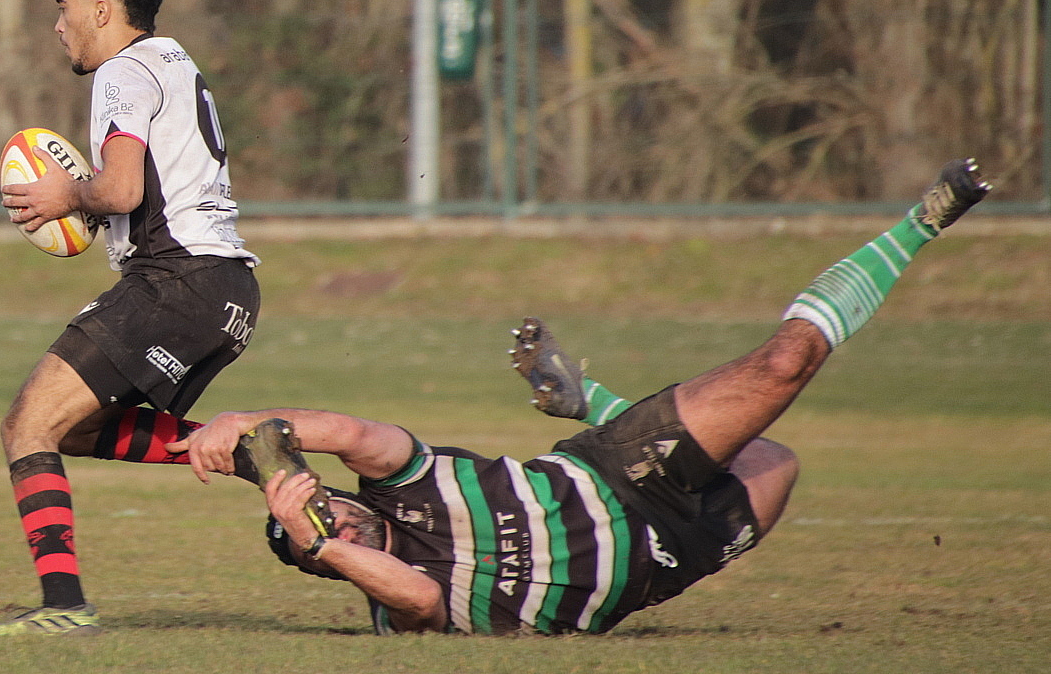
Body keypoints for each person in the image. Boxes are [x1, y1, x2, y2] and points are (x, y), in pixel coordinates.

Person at [169, 159, 991, 635]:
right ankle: (589, 397)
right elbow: (418, 595)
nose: (340, 523)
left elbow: (352, 433)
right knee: (776, 460)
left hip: (618, 473)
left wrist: (252, 425)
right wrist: (316, 542)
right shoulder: (393, 606)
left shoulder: (402, 483)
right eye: (325, 538)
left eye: (333, 510)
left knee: (784, 363)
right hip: (666, 558)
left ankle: (920, 223)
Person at [0, 0, 260, 636]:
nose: (58, 23)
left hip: (175, 281)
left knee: (26, 425)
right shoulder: (173, 60)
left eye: (63, 5)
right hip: (225, 292)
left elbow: (120, 189)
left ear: (102, 9)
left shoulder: (122, 72)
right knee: (75, 428)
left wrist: (66, 196)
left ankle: (63, 606)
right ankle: (258, 453)